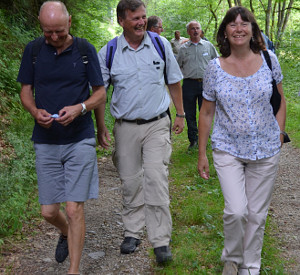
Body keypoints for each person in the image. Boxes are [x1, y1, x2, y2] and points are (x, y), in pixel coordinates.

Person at [17, 1, 106, 274]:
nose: (53, 37)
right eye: (47, 32)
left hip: (80, 137)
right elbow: (25, 90)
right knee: (48, 211)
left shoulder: (84, 50)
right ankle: (66, 232)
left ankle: (74, 270)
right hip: (46, 139)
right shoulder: (32, 51)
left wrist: (81, 108)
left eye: (58, 31)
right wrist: (34, 111)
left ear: (69, 23)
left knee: (74, 207)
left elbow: (100, 92)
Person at [197, 6, 286, 275]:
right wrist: (202, 153)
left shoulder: (269, 59)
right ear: (225, 31)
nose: (239, 28)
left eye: (244, 23)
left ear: (252, 30)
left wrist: (279, 133)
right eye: (233, 24)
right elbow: (207, 111)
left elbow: (281, 100)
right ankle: (232, 258)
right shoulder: (214, 68)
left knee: (256, 215)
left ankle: (250, 267)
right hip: (228, 149)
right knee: (236, 211)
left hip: (266, 149)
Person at [97, 0, 185, 265]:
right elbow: (100, 93)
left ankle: (160, 241)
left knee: (156, 178)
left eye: (143, 17)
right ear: (121, 21)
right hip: (124, 127)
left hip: (157, 123)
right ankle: (132, 232)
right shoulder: (109, 51)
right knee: (131, 180)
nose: (141, 22)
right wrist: (101, 127)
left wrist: (180, 113)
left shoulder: (160, 45)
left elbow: (173, 80)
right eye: (135, 18)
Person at [177, 20, 218, 150]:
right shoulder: (183, 49)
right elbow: (177, 66)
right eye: (192, 29)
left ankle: (205, 138)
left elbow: (217, 63)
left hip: (206, 84)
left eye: (197, 28)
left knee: (205, 112)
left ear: (200, 30)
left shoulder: (208, 46)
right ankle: (193, 140)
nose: (195, 31)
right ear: (188, 32)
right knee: (190, 113)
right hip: (189, 84)